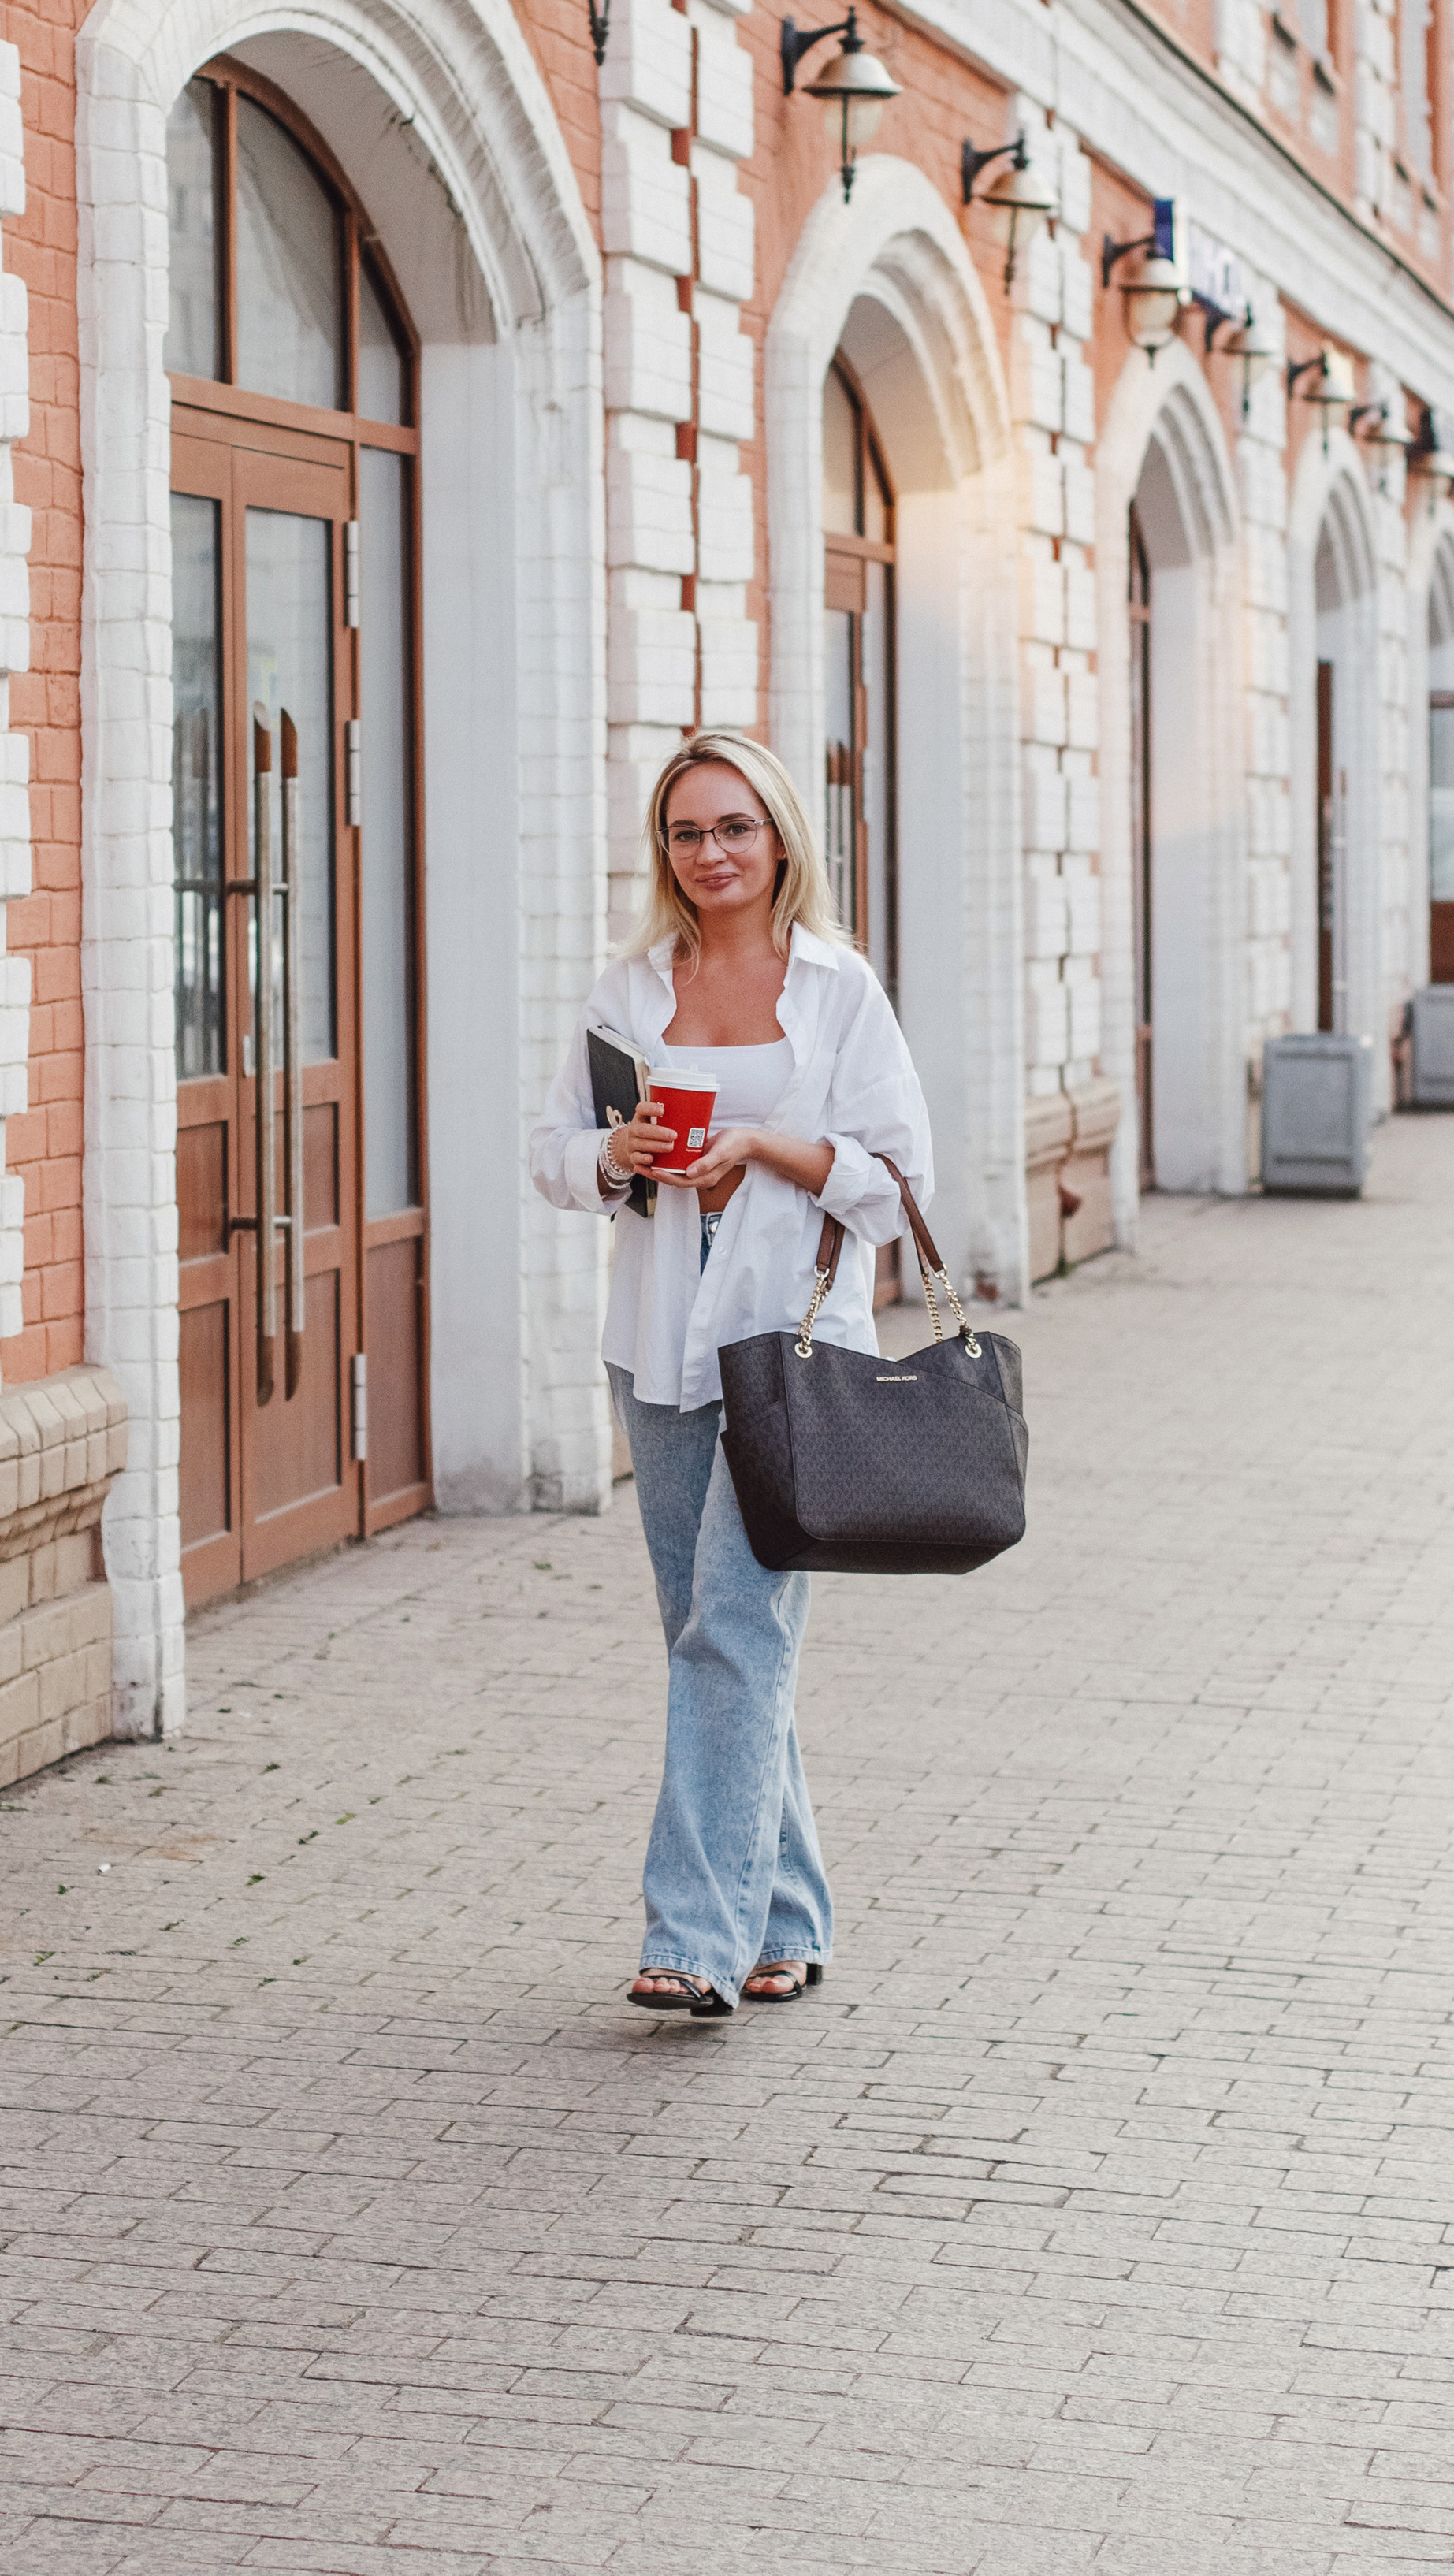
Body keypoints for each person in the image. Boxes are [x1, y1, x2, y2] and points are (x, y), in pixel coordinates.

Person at [530, 728, 932, 2019]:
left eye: (733, 828)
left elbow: (901, 1181)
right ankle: (789, 1914)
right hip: (655, 1347)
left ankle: (692, 1940)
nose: (710, 854)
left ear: (778, 837)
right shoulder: (629, 990)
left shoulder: (836, 992)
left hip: (786, 1356)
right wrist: (618, 1152)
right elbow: (552, 1155)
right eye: (686, 833)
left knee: (735, 1633)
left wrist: (764, 1143)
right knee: (712, 1638)